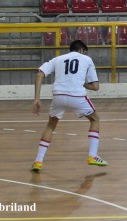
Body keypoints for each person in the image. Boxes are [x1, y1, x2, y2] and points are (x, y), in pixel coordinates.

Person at [32, 40, 108, 172]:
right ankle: (92, 156)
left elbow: (39, 75)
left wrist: (37, 99)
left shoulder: (58, 59)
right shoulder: (87, 59)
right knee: (95, 119)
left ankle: (38, 161)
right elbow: (95, 87)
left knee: (50, 126)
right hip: (77, 96)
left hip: (58, 95)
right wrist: (81, 83)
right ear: (81, 50)